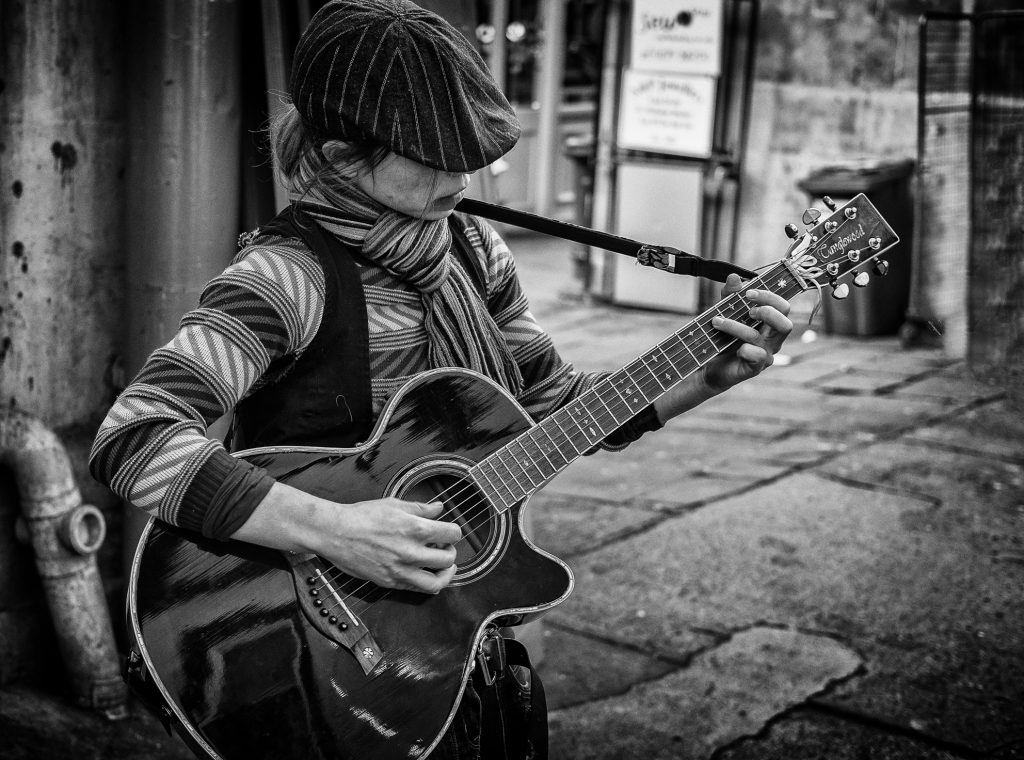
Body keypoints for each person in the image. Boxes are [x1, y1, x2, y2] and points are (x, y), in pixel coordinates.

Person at [90, 1, 793, 758]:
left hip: (458, 654)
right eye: (434, 153)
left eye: (472, 150)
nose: (468, 175)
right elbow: (135, 437)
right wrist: (340, 530)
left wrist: (703, 379)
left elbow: (552, 410)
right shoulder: (285, 279)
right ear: (339, 153)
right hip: (320, 653)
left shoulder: (474, 254)